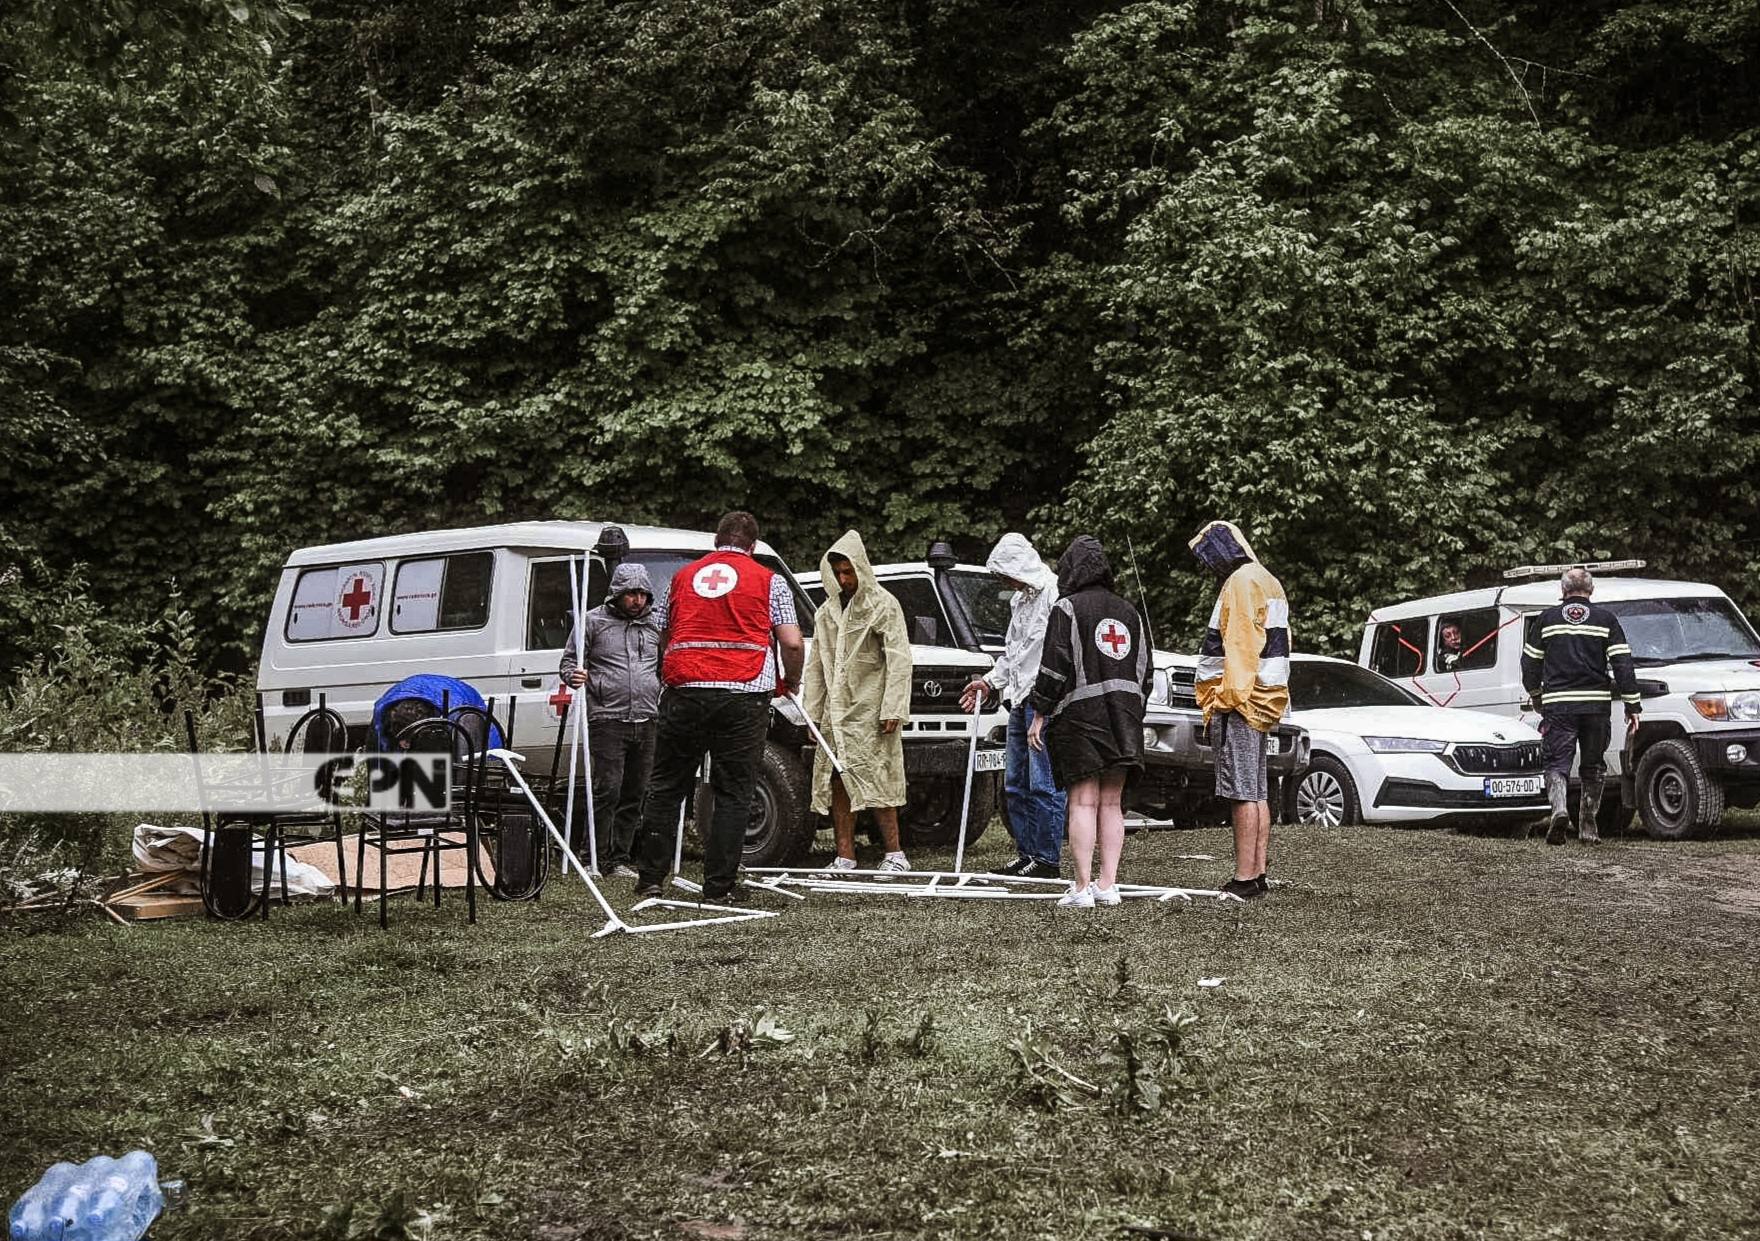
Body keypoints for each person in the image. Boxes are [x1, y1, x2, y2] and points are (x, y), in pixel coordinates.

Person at [633, 512, 806, 902]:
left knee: (666, 786)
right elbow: (792, 642)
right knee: (733, 790)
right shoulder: (770, 581)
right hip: (743, 693)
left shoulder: (681, 578)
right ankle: (718, 887)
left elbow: (663, 632)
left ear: (716, 541)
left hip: (685, 690)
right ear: (753, 546)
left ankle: (650, 879)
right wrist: (791, 679)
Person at [1026, 536, 1151, 908]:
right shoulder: (1130, 612)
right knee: (1112, 803)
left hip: (1081, 717)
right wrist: (1133, 710)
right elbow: (1145, 671)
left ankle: (1081, 889)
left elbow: (1053, 667)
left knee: (1082, 802)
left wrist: (1039, 712)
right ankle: (1107, 885)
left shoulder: (1066, 608)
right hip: (1125, 717)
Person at [1189, 520, 1290, 901]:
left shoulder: (1241, 582)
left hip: (1243, 701)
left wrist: (1224, 698)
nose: (1208, 566)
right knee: (1257, 789)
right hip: (1262, 698)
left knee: (1242, 792)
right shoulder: (1266, 578)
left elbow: (1241, 645)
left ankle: (1245, 878)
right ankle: (1257, 872)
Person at [802, 532, 913, 872]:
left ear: (860, 568)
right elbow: (816, 665)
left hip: (870, 708)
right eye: (837, 573)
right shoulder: (826, 612)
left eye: (848, 572)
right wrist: (812, 714)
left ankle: (895, 854)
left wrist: (893, 706)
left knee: (879, 776)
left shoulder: (883, 604)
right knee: (839, 778)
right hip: (836, 713)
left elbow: (899, 658)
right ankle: (845, 855)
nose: (843, 579)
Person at [959, 533, 1064, 879]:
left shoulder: (1053, 594)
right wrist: (990, 682)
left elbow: (1056, 652)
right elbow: (1015, 652)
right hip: (1019, 699)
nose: (1004, 582)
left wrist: (1047, 700)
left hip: (1042, 699)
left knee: (1043, 782)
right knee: (1015, 783)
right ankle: (1027, 853)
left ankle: (1046, 858)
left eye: (1005, 574)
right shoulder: (1019, 600)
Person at [1521, 566, 1641, 845]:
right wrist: (1632, 704)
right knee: (1593, 765)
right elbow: (1623, 663)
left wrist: (1536, 694)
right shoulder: (1606, 619)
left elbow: (1530, 663)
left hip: (1558, 706)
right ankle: (1588, 826)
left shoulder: (1547, 619)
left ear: (1563, 590)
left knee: (1556, 762)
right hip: (1595, 706)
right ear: (1591, 590)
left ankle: (1559, 810)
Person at [558, 561, 661, 878]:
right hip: (607, 717)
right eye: (631, 594)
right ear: (617, 593)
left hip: (647, 716)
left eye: (643, 594)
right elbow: (568, 662)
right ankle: (593, 856)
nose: (638, 600)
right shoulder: (592, 621)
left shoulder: (655, 624)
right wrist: (573, 675)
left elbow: (663, 663)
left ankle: (618, 859)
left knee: (635, 791)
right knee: (608, 789)